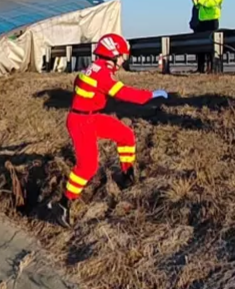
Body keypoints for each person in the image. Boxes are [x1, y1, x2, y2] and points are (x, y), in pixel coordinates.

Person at [46, 33, 169, 228]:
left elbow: (78, 84)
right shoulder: (101, 73)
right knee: (87, 167)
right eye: (122, 56)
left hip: (89, 116)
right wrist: (150, 96)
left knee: (126, 135)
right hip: (81, 121)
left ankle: (127, 174)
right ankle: (63, 203)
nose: (123, 60)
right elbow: (123, 93)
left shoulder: (95, 68)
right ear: (112, 54)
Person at [189, 0, 206, 72]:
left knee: (203, 49)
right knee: (199, 50)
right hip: (197, 27)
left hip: (202, 28)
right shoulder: (197, 3)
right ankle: (200, 67)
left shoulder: (202, 2)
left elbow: (198, 13)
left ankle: (204, 67)